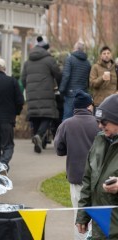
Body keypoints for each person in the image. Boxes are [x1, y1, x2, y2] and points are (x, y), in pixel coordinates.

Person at [54, 90, 99, 240]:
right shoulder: (99, 123)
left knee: (79, 216)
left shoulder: (66, 124)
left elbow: (59, 150)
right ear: (89, 106)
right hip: (98, 177)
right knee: (99, 214)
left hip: (77, 176)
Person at [76, 94, 118, 239]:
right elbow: (88, 179)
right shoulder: (99, 140)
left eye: (104, 122)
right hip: (99, 228)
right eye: (98, 121)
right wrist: (83, 214)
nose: (100, 126)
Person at [21, 36, 62, 153]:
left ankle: (36, 143)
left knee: (35, 116)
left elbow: (23, 79)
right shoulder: (49, 60)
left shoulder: (27, 62)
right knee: (47, 116)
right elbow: (58, 75)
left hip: (31, 93)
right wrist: (59, 87)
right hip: (47, 92)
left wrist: (28, 88)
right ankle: (39, 135)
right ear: (46, 49)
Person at [59, 40, 91, 120]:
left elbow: (66, 76)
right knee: (80, 118)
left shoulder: (70, 59)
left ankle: (66, 133)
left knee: (67, 118)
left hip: (70, 94)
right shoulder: (87, 63)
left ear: (75, 48)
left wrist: (61, 90)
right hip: (83, 94)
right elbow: (88, 80)